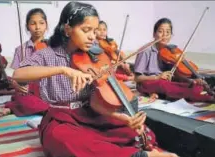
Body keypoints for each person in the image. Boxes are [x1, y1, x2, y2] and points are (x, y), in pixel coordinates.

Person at [13, 2, 178, 157]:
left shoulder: (91, 59)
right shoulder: (47, 54)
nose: (92, 37)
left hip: (89, 115)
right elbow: (18, 74)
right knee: (62, 140)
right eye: (86, 30)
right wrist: (64, 70)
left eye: (94, 30)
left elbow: (94, 103)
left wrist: (124, 118)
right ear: (68, 29)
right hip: (61, 119)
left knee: (135, 131)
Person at [134, 17, 215, 102]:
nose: (164, 35)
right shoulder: (145, 51)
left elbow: (176, 75)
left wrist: (192, 81)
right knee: (163, 84)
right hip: (148, 83)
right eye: (160, 31)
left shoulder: (169, 52)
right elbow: (137, 78)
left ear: (171, 35)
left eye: (168, 32)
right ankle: (204, 97)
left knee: (195, 85)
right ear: (154, 34)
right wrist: (158, 77)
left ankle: (171, 94)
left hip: (166, 82)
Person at [5, 8, 50, 116]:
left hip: (47, 90)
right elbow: (15, 75)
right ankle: (49, 110)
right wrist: (15, 83)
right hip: (28, 90)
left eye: (41, 23)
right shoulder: (20, 49)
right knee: (24, 99)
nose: (37, 27)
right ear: (27, 26)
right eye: (33, 23)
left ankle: (16, 107)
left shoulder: (53, 47)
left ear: (46, 25)